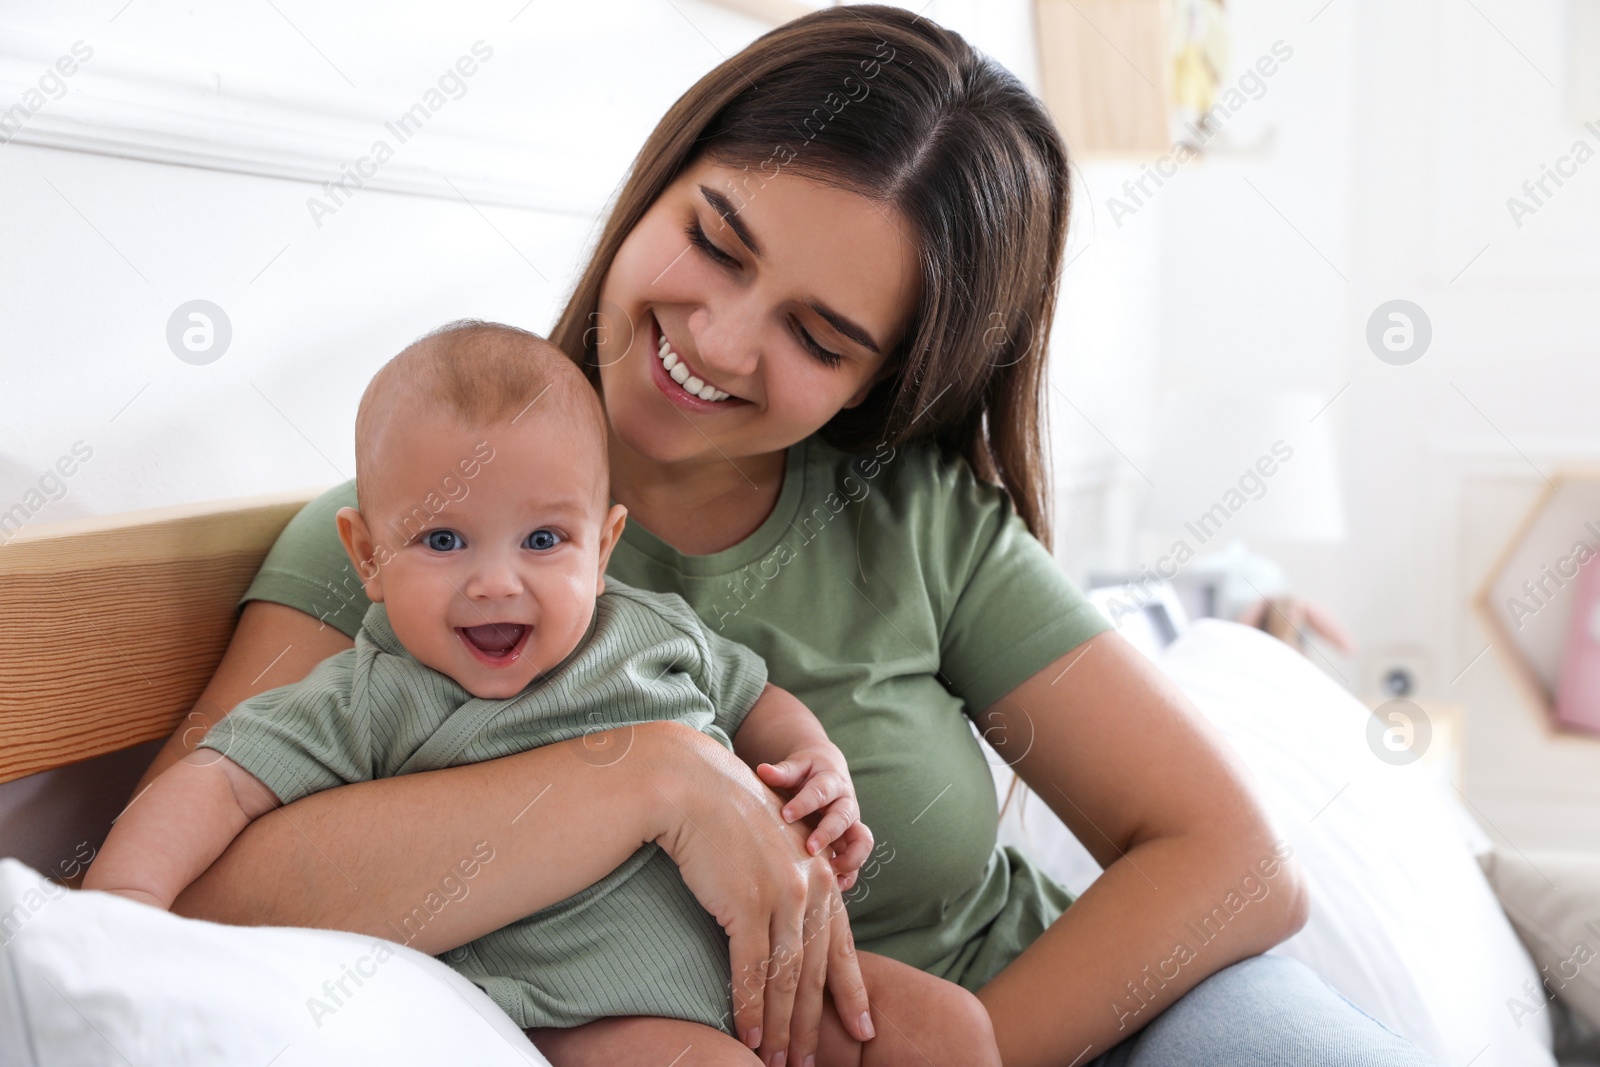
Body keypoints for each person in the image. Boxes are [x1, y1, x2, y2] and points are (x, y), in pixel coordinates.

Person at [136, 6, 1441, 1066]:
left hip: (1075, 1023)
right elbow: (195, 902)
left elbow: (1231, 864)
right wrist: (640, 775)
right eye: (715, 241)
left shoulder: (924, 523)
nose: (717, 339)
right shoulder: (411, 540)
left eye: (820, 337)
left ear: (883, 380)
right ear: (661, 181)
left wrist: (979, 1043)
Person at [87, 322, 1001, 1066]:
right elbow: (217, 781)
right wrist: (121, 907)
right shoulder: (369, 697)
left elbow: (760, 696)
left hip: (761, 970)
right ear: (365, 555)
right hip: (577, 1013)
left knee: (950, 1028)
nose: (495, 583)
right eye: (444, 541)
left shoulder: (653, 633)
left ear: (603, 548)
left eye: (543, 541)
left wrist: (818, 760)